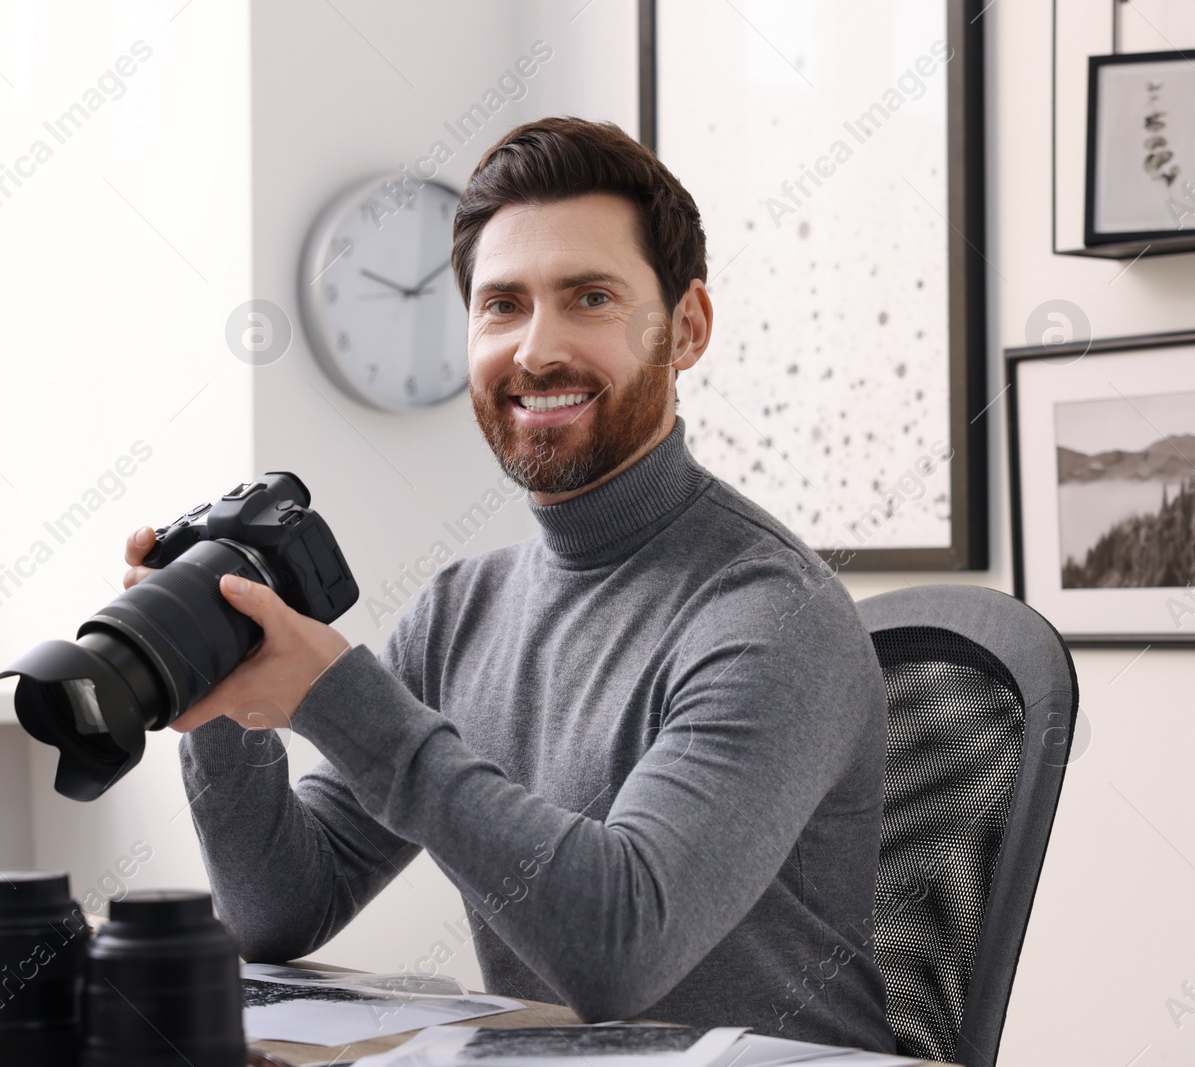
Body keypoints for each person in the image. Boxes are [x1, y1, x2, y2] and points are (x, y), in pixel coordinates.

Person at [122, 116, 893, 1051]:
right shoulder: (463, 610)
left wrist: (337, 695)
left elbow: (621, 949)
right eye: (502, 305)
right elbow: (281, 908)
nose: (536, 350)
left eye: (590, 296)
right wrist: (214, 681)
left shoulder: (773, 615)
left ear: (685, 328)